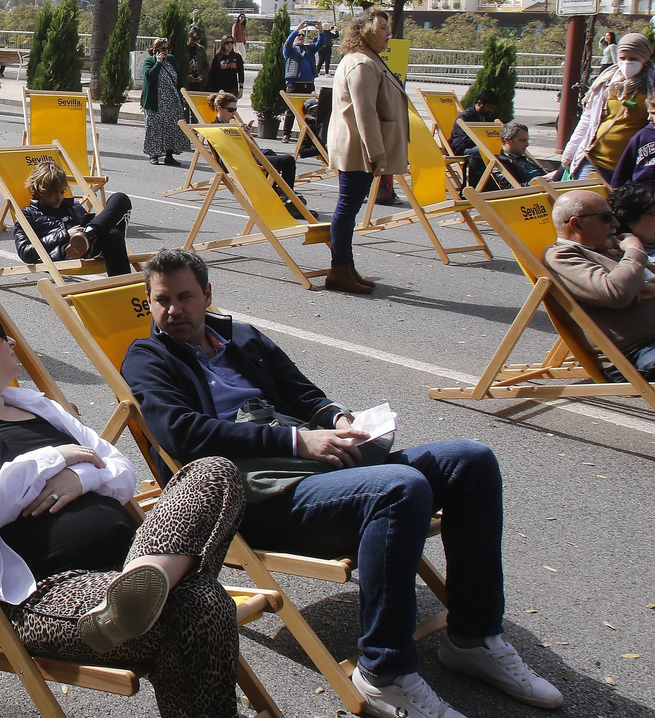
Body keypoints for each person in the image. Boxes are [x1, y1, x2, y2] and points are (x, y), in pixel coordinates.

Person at [122, 249, 563, 718]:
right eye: (161, 299)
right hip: (253, 496)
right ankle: (384, 673)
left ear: (207, 295)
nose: (173, 310)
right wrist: (297, 441)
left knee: (471, 461)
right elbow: (180, 433)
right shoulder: (148, 357)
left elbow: (304, 394)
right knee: (400, 487)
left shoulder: (242, 338)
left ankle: (473, 638)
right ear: (149, 303)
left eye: (185, 297)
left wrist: (338, 419)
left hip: (314, 468)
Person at [0, 303, 248, 718]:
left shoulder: (39, 406)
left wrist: (80, 479)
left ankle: (144, 585)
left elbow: (121, 471)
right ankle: (133, 599)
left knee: (214, 471)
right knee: (202, 601)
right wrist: (52, 459)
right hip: (52, 591)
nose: (12, 340)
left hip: (131, 558)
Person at [326, 9, 404, 294]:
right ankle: (340, 268)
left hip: (359, 147)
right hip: (357, 148)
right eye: (382, 27)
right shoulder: (361, 63)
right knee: (347, 209)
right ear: (366, 30)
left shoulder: (367, 60)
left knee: (349, 208)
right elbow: (365, 112)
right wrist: (377, 152)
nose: (388, 33)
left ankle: (345, 266)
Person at [542, 189, 655, 380]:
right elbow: (616, 292)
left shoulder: (606, 248)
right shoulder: (561, 257)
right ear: (577, 224)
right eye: (606, 217)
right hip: (636, 352)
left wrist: (644, 285)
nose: (616, 223)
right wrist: (635, 251)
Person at [560, 32, 655, 180]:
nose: (627, 63)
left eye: (633, 59)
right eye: (623, 58)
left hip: (629, 168)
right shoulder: (606, 82)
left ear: (646, 58)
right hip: (593, 161)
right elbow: (587, 120)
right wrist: (569, 152)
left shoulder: (651, 87)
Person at [13, 159, 133, 276]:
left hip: (93, 244)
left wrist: (87, 231)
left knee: (120, 198)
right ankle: (125, 289)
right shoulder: (28, 214)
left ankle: (88, 234)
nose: (59, 197)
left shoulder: (73, 206)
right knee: (114, 235)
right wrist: (65, 234)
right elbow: (25, 252)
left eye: (62, 192)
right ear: (39, 191)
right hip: (66, 252)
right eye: (53, 193)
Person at [209, 91, 298, 194]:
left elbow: (254, 149)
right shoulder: (213, 127)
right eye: (230, 110)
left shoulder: (234, 124)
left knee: (289, 159)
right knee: (275, 161)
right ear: (219, 108)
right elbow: (225, 149)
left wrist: (247, 136)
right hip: (233, 162)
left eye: (235, 110)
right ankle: (274, 194)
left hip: (246, 157)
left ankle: (288, 193)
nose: (233, 113)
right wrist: (238, 136)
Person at [140, 38, 189, 167]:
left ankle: (169, 155)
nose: (166, 51)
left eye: (167, 48)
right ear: (156, 50)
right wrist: (158, 63)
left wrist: (183, 94)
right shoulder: (149, 61)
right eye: (163, 48)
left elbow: (179, 78)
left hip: (171, 101)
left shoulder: (171, 60)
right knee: (154, 128)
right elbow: (149, 76)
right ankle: (153, 154)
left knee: (171, 128)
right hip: (155, 101)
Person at [469, 121, 546, 192]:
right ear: (507, 140)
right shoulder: (501, 162)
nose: (527, 144)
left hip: (547, 187)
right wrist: (539, 182)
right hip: (536, 193)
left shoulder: (525, 159)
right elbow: (511, 189)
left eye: (527, 140)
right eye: (522, 140)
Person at [281, 23, 320, 142]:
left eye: (302, 35)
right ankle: (286, 134)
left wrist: (321, 30)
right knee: (290, 111)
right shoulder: (290, 50)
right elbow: (287, 43)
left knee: (311, 110)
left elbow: (320, 43)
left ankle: (309, 136)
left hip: (308, 83)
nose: (300, 37)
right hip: (294, 83)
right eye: (298, 35)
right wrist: (297, 30)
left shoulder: (309, 49)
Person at [447, 90, 499, 158]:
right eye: (489, 107)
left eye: (493, 108)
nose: (492, 111)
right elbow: (467, 141)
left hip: (475, 147)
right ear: (480, 103)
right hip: (461, 149)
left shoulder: (486, 117)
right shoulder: (464, 118)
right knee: (485, 150)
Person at [183, 26, 208, 92]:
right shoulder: (182, 49)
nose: (194, 41)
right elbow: (178, 65)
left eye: (197, 39)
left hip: (197, 83)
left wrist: (201, 76)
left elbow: (206, 65)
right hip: (185, 83)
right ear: (189, 35)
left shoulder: (201, 49)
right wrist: (186, 75)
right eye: (193, 38)